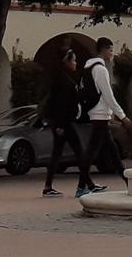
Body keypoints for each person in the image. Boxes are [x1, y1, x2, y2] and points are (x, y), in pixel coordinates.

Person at [78, 37, 130, 199]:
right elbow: (108, 95)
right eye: (111, 50)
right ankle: (83, 185)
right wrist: (123, 116)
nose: (112, 53)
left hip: (97, 113)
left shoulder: (88, 67)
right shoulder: (100, 69)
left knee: (111, 150)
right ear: (105, 49)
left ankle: (84, 185)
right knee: (93, 150)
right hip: (100, 113)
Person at [41, 47, 89, 198]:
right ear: (66, 62)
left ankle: (49, 186)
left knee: (58, 153)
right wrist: (60, 125)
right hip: (65, 123)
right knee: (80, 152)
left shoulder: (61, 78)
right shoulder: (64, 81)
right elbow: (61, 104)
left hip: (63, 122)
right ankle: (85, 184)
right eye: (74, 60)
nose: (76, 63)